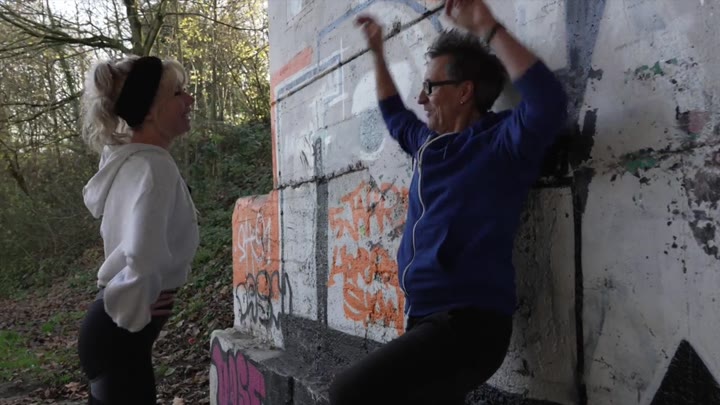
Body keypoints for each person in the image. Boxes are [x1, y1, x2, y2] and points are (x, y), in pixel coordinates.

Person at [329, 0, 568, 404]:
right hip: (424, 320)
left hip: (469, 326)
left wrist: (487, 26)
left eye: (430, 87)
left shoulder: (500, 143)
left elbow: (547, 102)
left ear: (464, 92)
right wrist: (378, 53)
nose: (421, 98)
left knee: (347, 393)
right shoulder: (428, 145)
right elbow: (394, 114)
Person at [77, 55, 199, 404]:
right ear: (149, 111)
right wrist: (134, 310)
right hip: (119, 330)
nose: (189, 99)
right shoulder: (154, 167)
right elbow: (143, 255)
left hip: (109, 328)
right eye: (178, 93)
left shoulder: (130, 162)